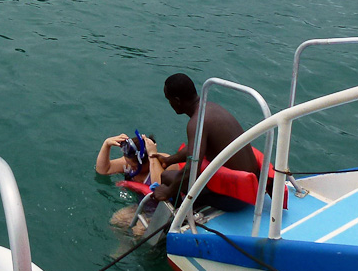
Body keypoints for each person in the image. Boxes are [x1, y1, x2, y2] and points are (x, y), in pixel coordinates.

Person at [150, 73, 259, 211]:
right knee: (176, 178)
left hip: (236, 198)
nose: (170, 104)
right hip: (252, 188)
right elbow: (196, 148)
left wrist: (167, 191)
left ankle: (179, 218)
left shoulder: (196, 122)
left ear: (177, 100)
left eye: (169, 100)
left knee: (166, 176)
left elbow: (191, 171)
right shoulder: (211, 109)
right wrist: (169, 160)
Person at [96, 131, 162, 234]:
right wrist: (106, 144)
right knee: (117, 220)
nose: (130, 168)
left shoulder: (163, 163)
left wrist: (153, 157)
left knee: (138, 231)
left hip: (162, 211)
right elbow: (104, 170)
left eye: (134, 166)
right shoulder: (130, 163)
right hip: (143, 206)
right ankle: (124, 243)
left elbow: (159, 189)